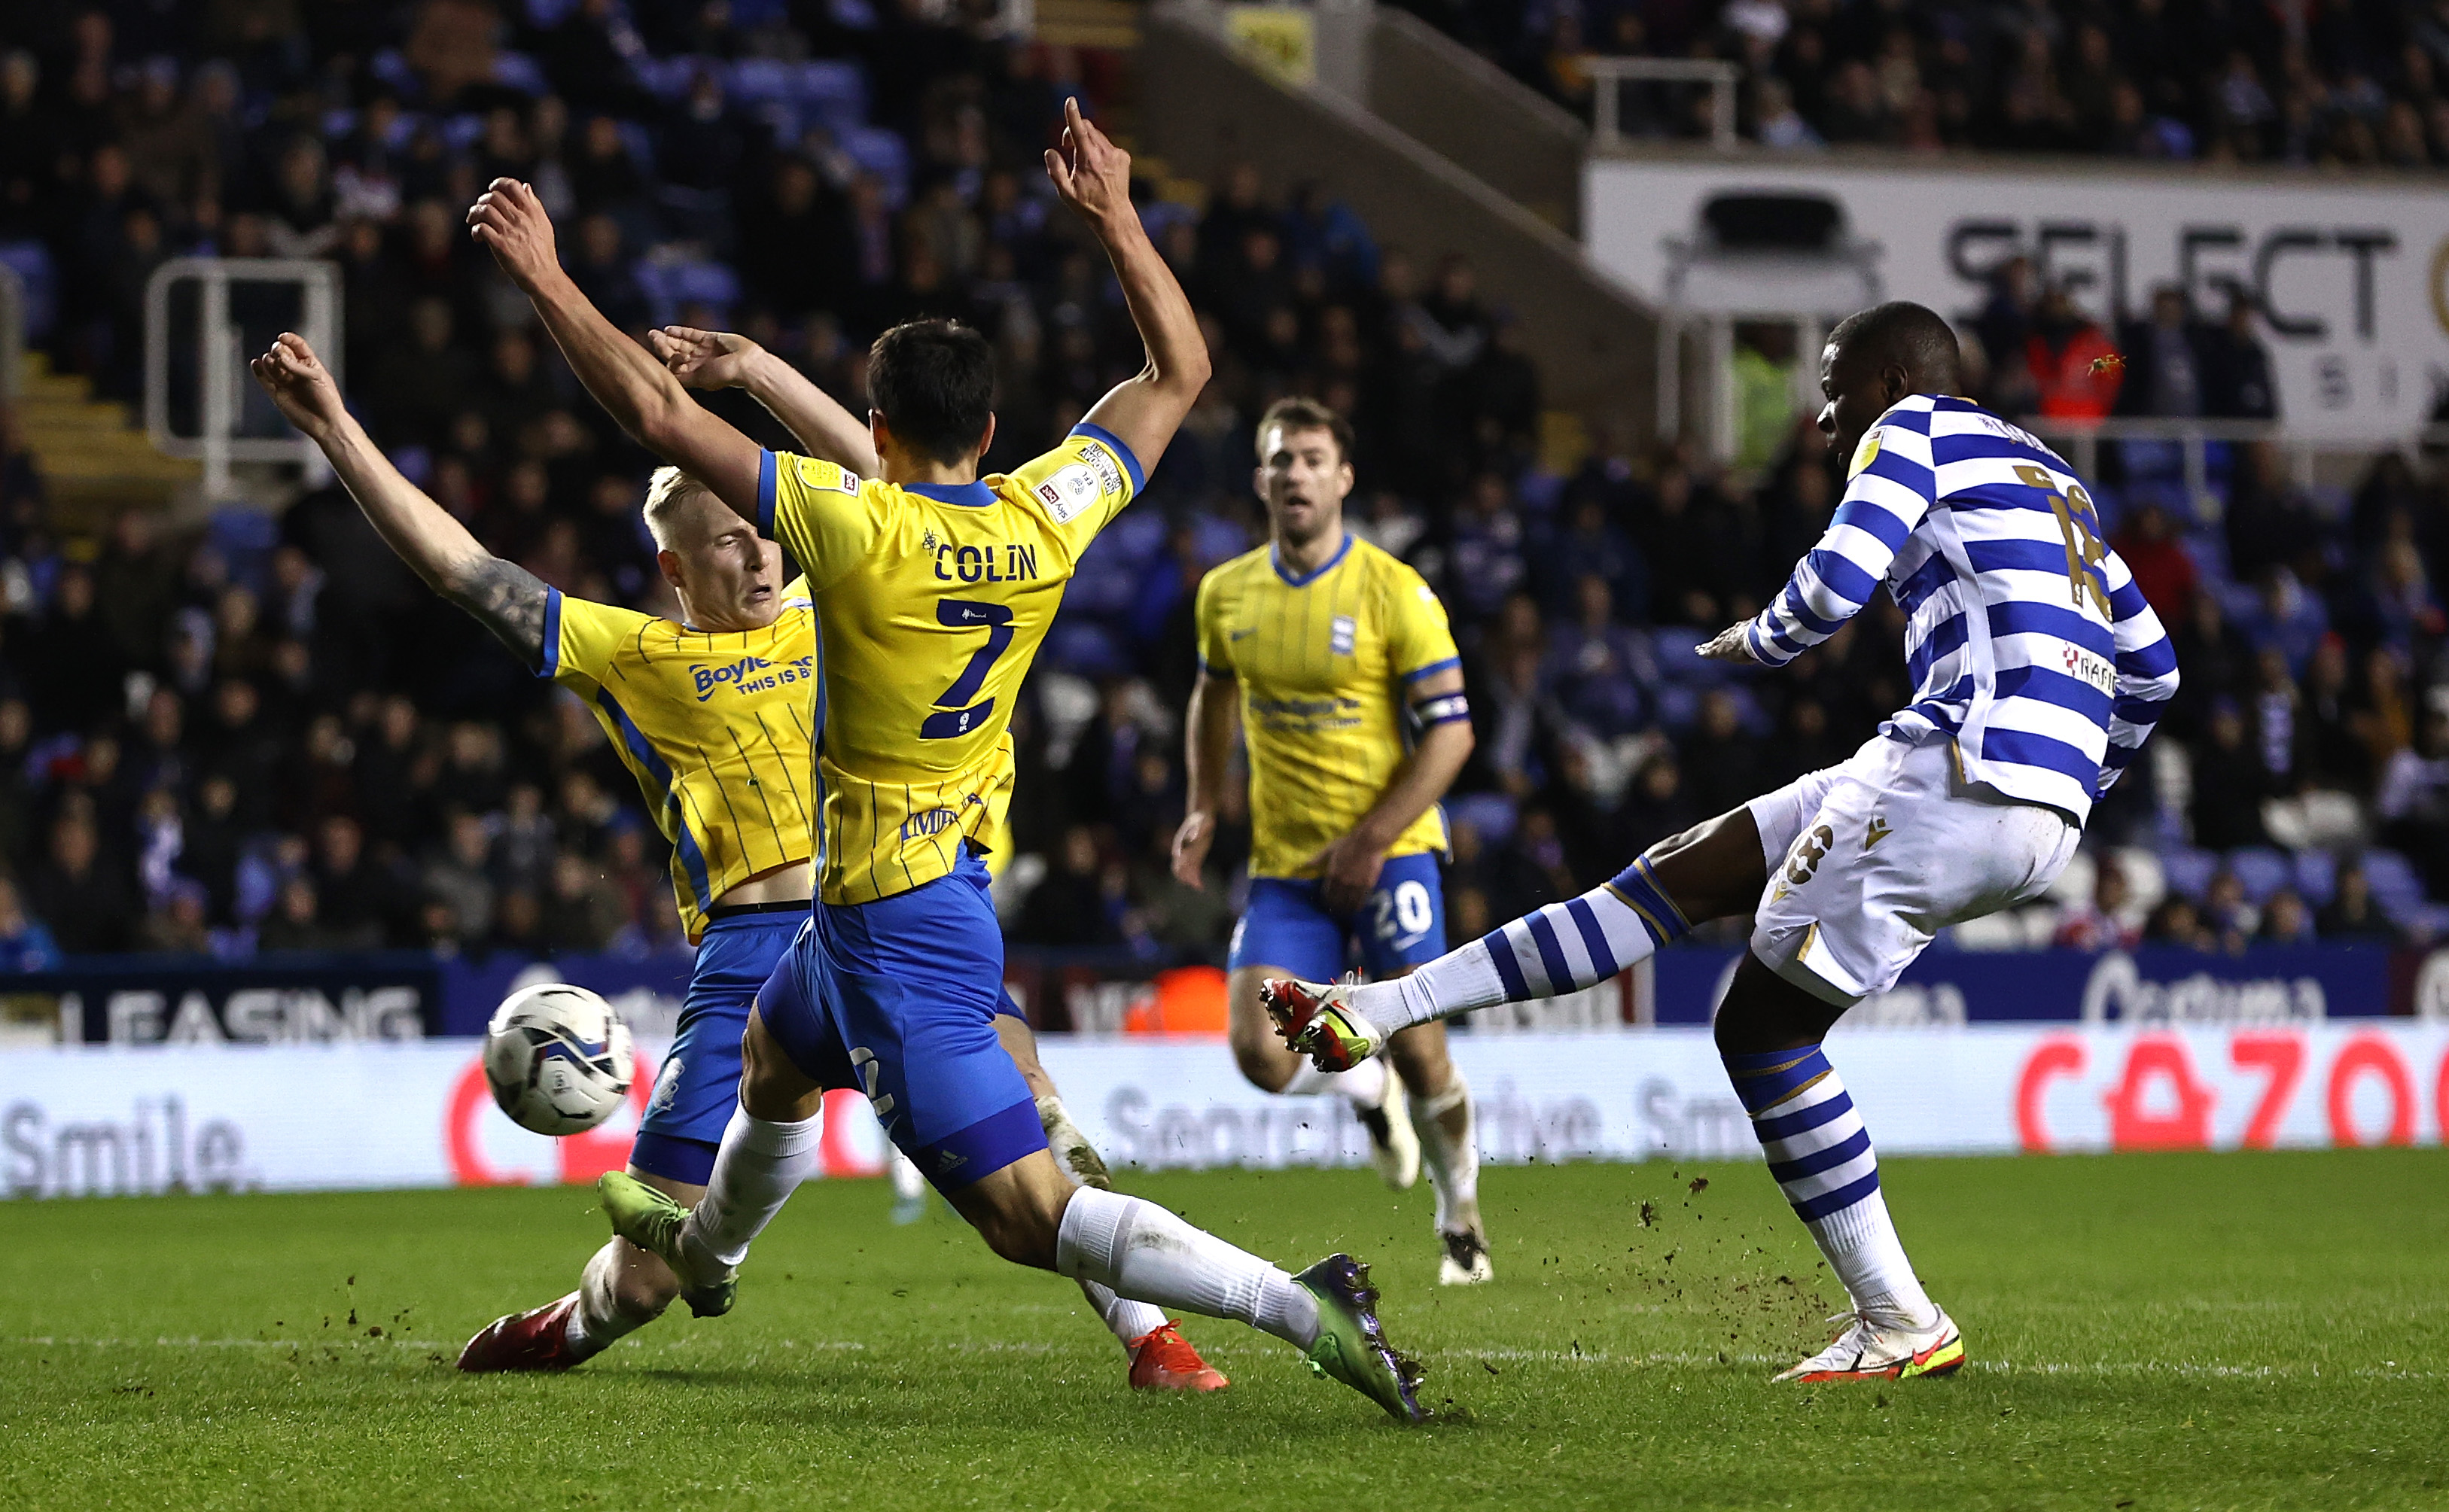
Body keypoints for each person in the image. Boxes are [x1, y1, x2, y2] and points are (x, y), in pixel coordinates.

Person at [471, 99, 1427, 1422]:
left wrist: (544, 277)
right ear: (988, 435)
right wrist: (1114, 217)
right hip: (916, 901)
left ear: (875, 425)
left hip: (894, 933)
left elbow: (647, 406)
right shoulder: (1042, 511)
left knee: (1035, 1214)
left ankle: (1298, 1300)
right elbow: (1177, 374)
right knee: (768, 1054)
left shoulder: (853, 527)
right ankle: (704, 1254)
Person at [249, 327, 1223, 1392]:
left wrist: (760, 372)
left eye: (763, 535)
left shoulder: (841, 597)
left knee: (1034, 1110)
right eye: (726, 544)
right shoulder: (637, 657)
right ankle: (572, 1325)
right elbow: (468, 573)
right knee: (645, 1280)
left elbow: (904, 487)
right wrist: (337, 428)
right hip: (754, 959)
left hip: (894, 917)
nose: (760, 556)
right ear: (675, 566)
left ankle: (1154, 1337)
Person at [1268, 300, 2180, 1384]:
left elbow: (1839, 577)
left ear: (1891, 380)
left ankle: (1900, 1321)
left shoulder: (1914, 430)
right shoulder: (2056, 479)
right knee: (1672, 875)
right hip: (2008, 791)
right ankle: (1381, 1006)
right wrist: (2071, 787)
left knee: (1762, 1032)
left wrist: (1765, 636)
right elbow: (2153, 667)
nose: (1826, 422)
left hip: (1958, 768)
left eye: (1836, 391)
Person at [1170, 395, 1491, 1286]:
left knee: (1426, 1049)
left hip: (1391, 857)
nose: (1295, 474)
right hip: (1287, 864)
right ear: (1260, 478)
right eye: (1279, 459)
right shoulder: (1226, 592)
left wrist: (1373, 838)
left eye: (1312, 458)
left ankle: (1459, 1210)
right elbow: (1212, 696)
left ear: (1343, 476)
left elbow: (1452, 732)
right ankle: (1361, 1085)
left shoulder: (1396, 591)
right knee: (1260, 1057)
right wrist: (1203, 800)